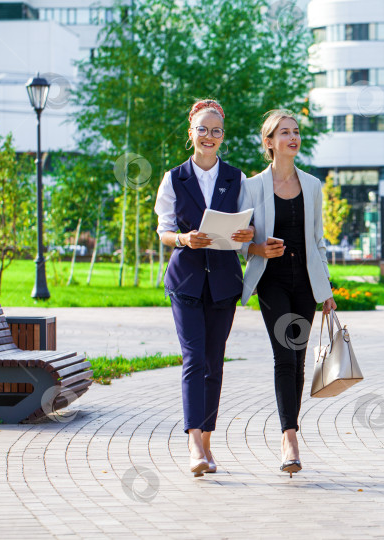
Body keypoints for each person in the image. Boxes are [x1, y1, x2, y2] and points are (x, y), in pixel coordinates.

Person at [154, 99, 254, 477]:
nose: (209, 136)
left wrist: (248, 234)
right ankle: (194, 441)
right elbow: (164, 231)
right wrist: (183, 239)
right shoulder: (173, 177)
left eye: (215, 131)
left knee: (214, 363)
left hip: (224, 283)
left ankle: (208, 441)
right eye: (202, 129)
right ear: (191, 133)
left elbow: (247, 228)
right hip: (186, 281)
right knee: (194, 359)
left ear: (222, 136)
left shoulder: (235, 177)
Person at [238, 109, 337, 477]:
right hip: (272, 280)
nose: (293, 138)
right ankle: (289, 438)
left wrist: (325, 289)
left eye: (295, 132)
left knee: (297, 358)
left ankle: (291, 430)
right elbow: (236, 239)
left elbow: (318, 241)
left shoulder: (312, 185)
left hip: (305, 282)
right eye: (284, 132)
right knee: (285, 356)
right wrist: (258, 249)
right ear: (269, 142)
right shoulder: (251, 187)